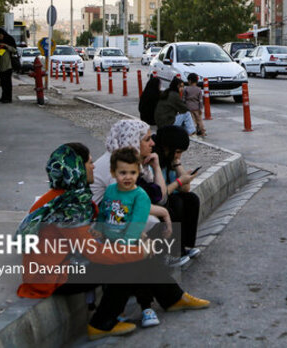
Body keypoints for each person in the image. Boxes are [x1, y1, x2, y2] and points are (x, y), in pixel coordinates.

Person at [17, 143, 210, 340]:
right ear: (77, 168)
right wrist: (139, 252)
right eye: (89, 163)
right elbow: (95, 253)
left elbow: (94, 230)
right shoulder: (69, 208)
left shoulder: (65, 196)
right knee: (131, 261)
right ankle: (102, 323)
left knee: (133, 248)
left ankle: (173, 297)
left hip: (63, 264)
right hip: (52, 276)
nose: (93, 167)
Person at [91, 120, 191, 267]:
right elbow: (126, 204)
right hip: (100, 222)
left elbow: (161, 197)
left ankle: (166, 256)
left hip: (117, 213)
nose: (152, 144)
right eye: (147, 139)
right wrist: (164, 213)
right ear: (132, 141)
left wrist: (156, 167)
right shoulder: (114, 164)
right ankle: (155, 262)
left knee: (175, 204)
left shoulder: (136, 162)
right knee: (152, 219)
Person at [154, 125, 201, 260]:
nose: (179, 155)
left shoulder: (170, 158)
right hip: (157, 201)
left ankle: (186, 246)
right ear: (167, 147)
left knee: (191, 199)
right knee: (176, 202)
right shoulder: (155, 161)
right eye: (178, 151)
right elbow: (160, 195)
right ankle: (175, 251)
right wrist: (179, 182)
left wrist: (177, 163)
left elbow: (186, 189)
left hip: (169, 196)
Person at [0, 28, 17, 103]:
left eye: (0, 36)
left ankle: (8, 98)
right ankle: (3, 97)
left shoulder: (9, 40)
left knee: (7, 83)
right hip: (1, 65)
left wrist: (6, 46)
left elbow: (14, 50)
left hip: (8, 65)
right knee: (3, 83)